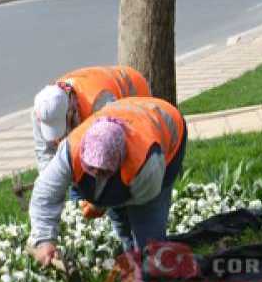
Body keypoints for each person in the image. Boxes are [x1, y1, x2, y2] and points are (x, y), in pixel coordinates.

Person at [27, 97, 187, 266]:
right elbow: (45, 194)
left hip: (167, 125)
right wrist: (44, 241)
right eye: (90, 167)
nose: (95, 174)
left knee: (148, 235)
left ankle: (152, 267)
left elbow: (143, 201)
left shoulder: (145, 163)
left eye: (103, 172)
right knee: (119, 216)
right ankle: (130, 252)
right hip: (125, 112)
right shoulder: (70, 150)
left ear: (120, 160)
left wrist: (101, 205)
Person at [32, 65, 151, 172]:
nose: (57, 136)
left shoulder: (99, 103)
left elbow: (114, 147)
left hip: (134, 92)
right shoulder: (42, 109)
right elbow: (45, 155)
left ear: (70, 110)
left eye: (60, 124)